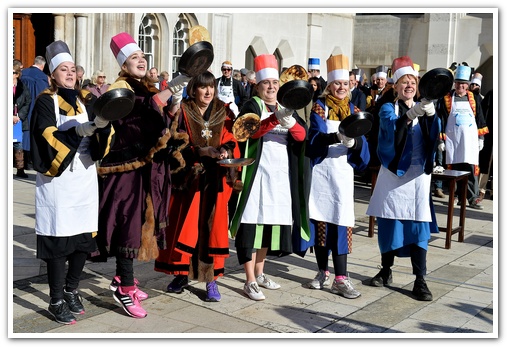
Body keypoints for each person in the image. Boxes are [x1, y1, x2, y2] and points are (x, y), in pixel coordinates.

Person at [94, 32, 190, 318]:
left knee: (140, 224)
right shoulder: (121, 88)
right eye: (135, 57)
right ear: (124, 64)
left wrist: (173, 105)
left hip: (145, 166)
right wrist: (172, 86)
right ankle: (124, 288)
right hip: (124, 169)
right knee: (128, 226)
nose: (141, 60)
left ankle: (126, 279)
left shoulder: (145, 86)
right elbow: (141, 111)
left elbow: (154, 119)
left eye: (143, 56)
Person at [30, 40, 111, 324]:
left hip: (85, 179)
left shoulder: (86, 100)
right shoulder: (45, 101)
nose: (69, 73)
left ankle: (72, 289)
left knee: (83, 239)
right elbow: (45, 134)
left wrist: (102, 126)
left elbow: (102, 133)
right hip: (58, 181)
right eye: (63, 69)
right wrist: (78, 129)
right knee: (58, 240)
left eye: (72, 69)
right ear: (53, 74)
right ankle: (55, 299)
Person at [229, 54, 311, 301]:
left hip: (279, 174)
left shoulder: (285, 106)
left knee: (268, 223)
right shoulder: (252, 104)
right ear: (258, 85)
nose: (272, 87)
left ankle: (260, 272)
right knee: (251, 223)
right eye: (267, 83)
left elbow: (301, 135)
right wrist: (276, 119)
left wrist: (288, 120)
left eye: (275, 83)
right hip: (256, 173)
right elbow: (249, 131)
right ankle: (249, 280)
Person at [154, 71, 240, 302]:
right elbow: (171, 143)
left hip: (215, 182)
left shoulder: (223, 110)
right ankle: (181, 275)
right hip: (188, 181)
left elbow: (232, 139)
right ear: (193, 89)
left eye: (211, 87)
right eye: (203, 87)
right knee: (186, 229)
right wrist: (199, 151)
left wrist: (225, 150)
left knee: (211, 231)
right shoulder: (183, 110)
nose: (208, 92)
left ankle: (212, 281)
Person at [366, 56, 441, 302]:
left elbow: (434, 136)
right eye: (403, 82)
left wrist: (431, 117)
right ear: (395, 86)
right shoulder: (389, 107)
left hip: (418, 177)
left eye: (412, 82)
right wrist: (410, 115)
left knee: (418, 226)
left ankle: (420, 279)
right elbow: (389, 128)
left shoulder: (428, 107)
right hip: (394, 174)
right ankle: (386, 270)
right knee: (390, 224)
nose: (408, 86)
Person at [297, 54, 370, 299]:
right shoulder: (319, 108)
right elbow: (314, 140)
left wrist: (355, 143)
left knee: (340, 223)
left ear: (351, 86)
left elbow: (364, 149)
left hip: (342, 174)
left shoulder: (356, 111)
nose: (341, 87)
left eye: (345, 84)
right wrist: (334, 138)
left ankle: (341, 278)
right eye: (336, 83)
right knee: (320, 223)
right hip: (322, 174)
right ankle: (322, 272)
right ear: (329, 85)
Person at [435, 63, 489, 210]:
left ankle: (472, 198)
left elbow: (480, 118)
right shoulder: (446, 98)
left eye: (464, 84)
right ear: (455, 84)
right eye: (458, 83)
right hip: (454, 140)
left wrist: (481, 138)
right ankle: (457, 196)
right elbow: (441, 119)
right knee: (455, 170)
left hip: (470, 140)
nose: (461, 87)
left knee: (471, 169)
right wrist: (440, 139)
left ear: (468, 85)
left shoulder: (474, 98)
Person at [20, 55, 50, 172]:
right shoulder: (42, 77)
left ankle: (21, 163)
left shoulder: (23, 73)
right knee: (33, 133)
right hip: (34, 108)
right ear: (42, 65)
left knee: (22, 133)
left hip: (22, 108)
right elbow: (43, 95)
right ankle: (30, 161)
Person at [13, 61, 31, 178]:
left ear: (17, 74)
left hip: (18, 121)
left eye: (13, 72)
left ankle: (20, 169)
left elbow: (27, 102)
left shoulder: (22, 86)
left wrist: (19, 116)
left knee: (18, 145)